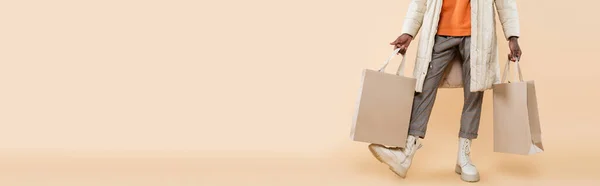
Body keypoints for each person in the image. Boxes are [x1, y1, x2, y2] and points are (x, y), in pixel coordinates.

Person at [367, 0, 522, 182]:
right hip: (439, 32)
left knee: (474, 93)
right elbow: (419, 2)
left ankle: (464, 156)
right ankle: (406, 153)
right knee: (423, 88)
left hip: (478, 34)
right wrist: (408, 32)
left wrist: (513, 37)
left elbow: (506, 3)